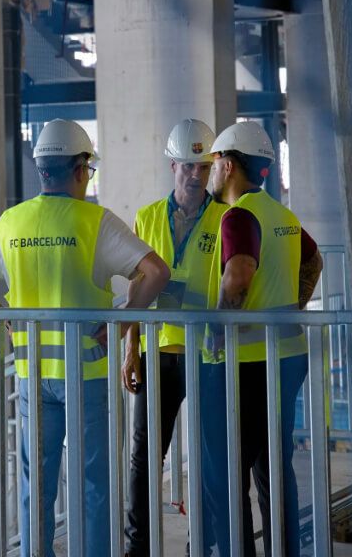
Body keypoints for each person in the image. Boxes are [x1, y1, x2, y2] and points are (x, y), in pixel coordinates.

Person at [0, 119, 170, 557]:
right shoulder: (95, 221)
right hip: (86, 372)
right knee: (94, 481)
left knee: (36, 483)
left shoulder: (11, 222)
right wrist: (124, 320)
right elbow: (156, 272)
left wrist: (5, 320)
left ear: (41, 169)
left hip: (32, 373)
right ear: (78, 169)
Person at [204, 121, 323, 557]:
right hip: (287, 356)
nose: (209, 172)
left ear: (228, 165)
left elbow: (238, 276)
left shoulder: (239, 216)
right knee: (273, 470)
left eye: (213, 162)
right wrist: (294, 306)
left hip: (249, 364)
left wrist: (219, 329)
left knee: (228, 475)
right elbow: (314, 262)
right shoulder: (282, 215)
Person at [121, 119, 228, 556]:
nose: (195, 175)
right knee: (145, 456)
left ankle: (200, 544)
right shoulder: (147, 217)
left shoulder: (225, 218)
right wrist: (131, 348)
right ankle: (138, 547)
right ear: (173, 166)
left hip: (206, 354)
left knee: (209, 455)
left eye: (203, 167)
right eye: (187, 166)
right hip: (157, 350)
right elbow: (136, 287)